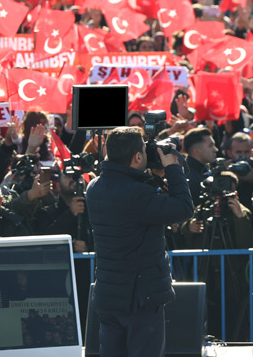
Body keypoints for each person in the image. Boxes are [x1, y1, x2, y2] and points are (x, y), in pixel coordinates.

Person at [85, 126, 194, 357]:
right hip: (139, 299)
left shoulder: (94, 187)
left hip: (108, 295)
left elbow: (132, 203)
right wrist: (173, 168)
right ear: (136, 157)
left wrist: (152, 177)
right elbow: (184, 208)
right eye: (144, 151)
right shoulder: (137, 194)